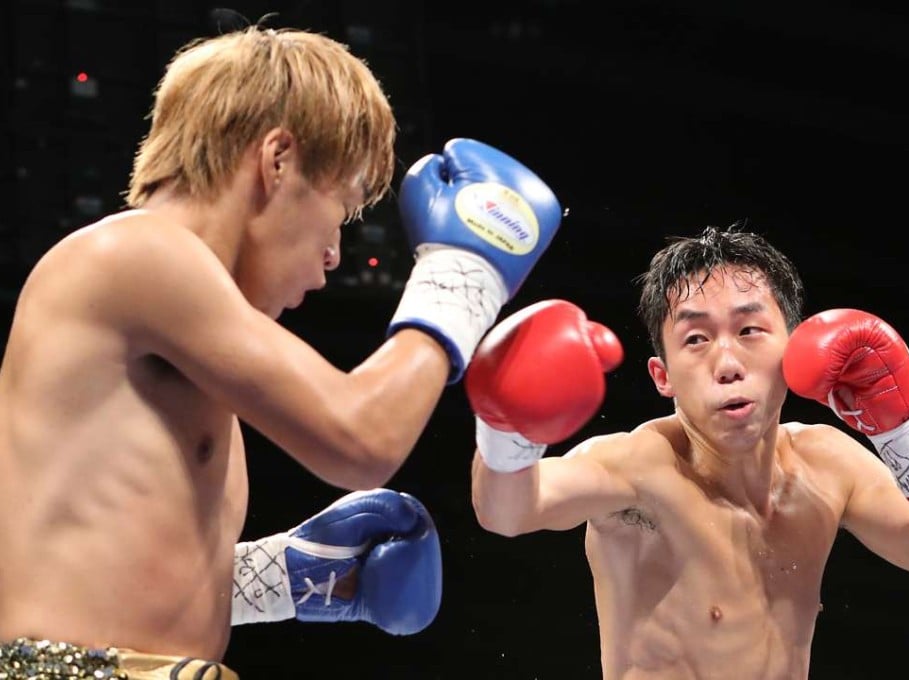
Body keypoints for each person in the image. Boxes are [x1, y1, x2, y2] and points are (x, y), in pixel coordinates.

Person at [0, 23, 562, 679]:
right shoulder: (137, 253)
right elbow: (361, 438)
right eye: (341, 209)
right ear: (277, 160)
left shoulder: (177, 344)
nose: (331, 259)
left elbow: (92, 567)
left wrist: (286, 576)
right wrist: (466, 274)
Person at [466, 223, 909, 679]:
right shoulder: (639, 467)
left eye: (751, 330)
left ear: (796, 347)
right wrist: (506, 425)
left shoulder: (829, 465)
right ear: (662, 376)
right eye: (696, 339)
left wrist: (907, 432)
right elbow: (507, 511)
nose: (727, 362)